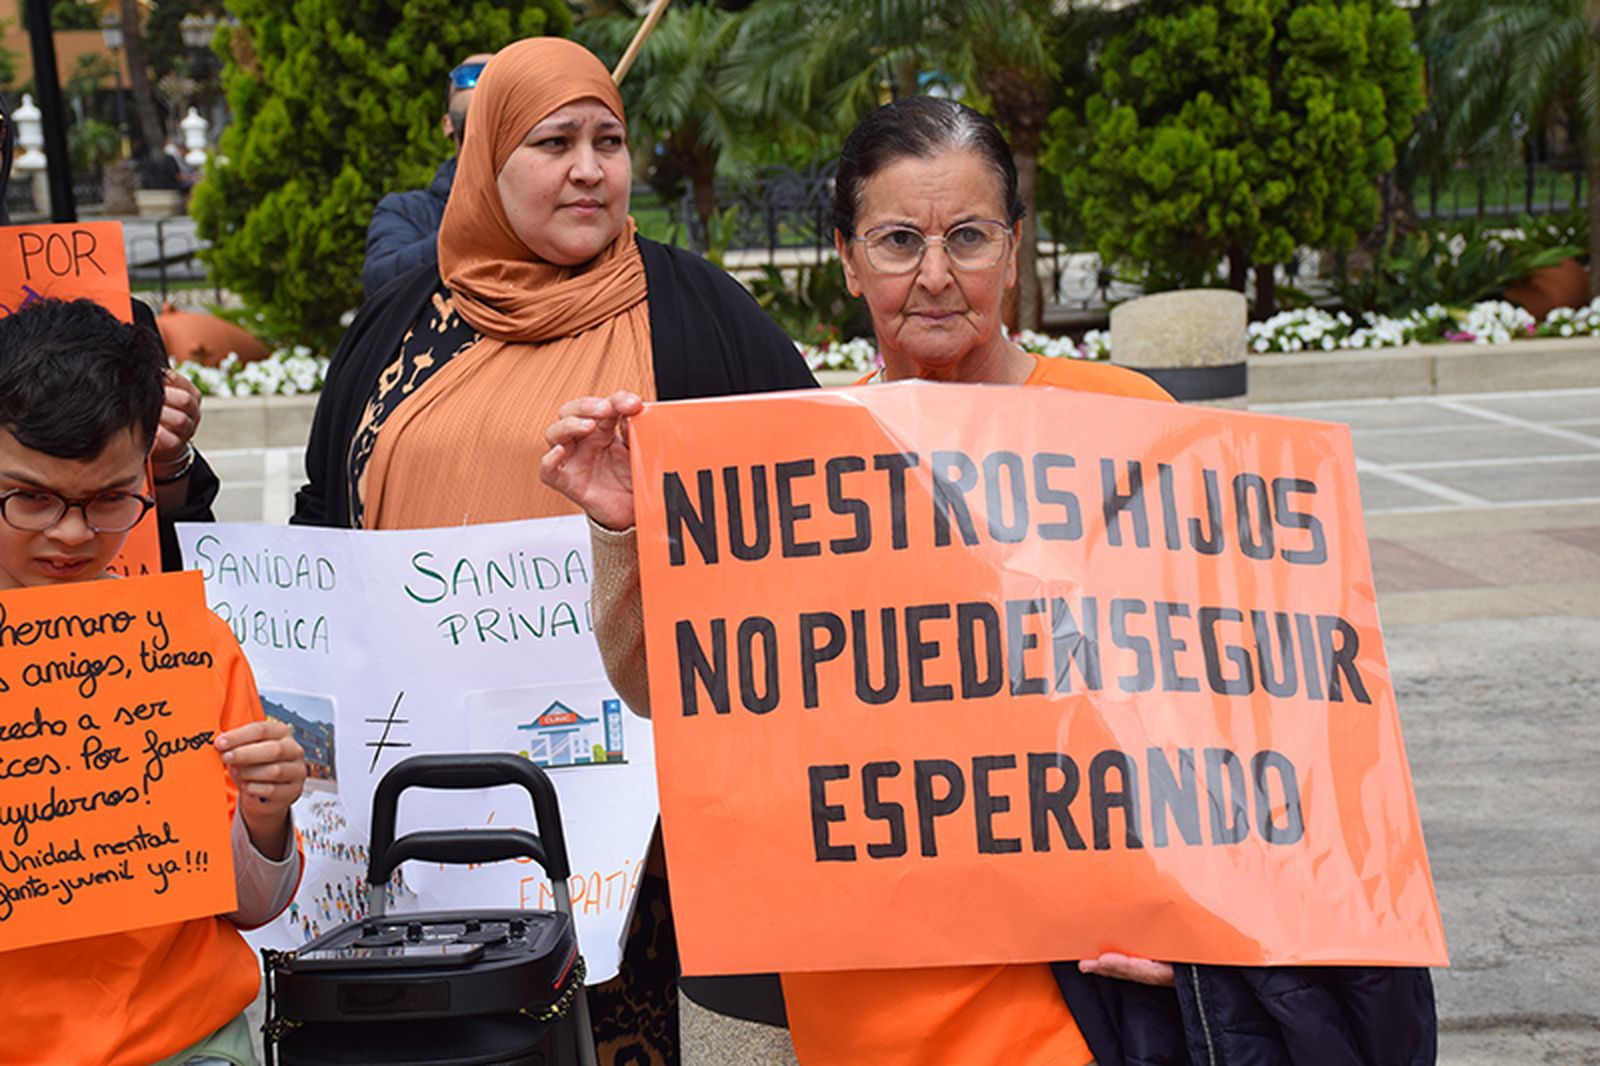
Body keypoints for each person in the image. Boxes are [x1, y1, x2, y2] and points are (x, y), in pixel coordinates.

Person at [540, 97, 1437, 1065]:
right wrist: (622, 527)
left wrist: (1225, 937)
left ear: (1013, 248)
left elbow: (1258, 711)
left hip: (1084, 1012)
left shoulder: (1125, 422)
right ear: (846, 258)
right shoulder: (797, 458)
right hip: (866, 1011)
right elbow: (679, 691)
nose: (933, 274)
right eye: (895, 240)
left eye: (966, 236)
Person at [294, 36, 815, 1064]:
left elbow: (798, 512)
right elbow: (325, 538)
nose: (589, 168)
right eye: (553, 142)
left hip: (656, 828)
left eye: (609, 140)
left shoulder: (699, 312)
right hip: (432, 808)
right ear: (486, 161)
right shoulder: (400, 327)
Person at [0, 296, 307, 1065]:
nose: (71, 533)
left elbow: (251, 905)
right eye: (29, 496)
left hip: (188, 1043)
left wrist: (266, 819)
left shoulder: (186, 649)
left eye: (109, 500)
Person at [360, 52, 494, 297]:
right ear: (447, 124)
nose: (487, 82)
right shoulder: (405, 211)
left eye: (500, 76)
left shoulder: (557, 204)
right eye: (472, 75)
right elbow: (381, 286)